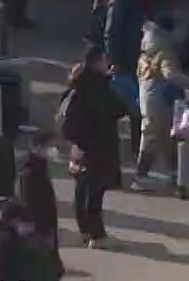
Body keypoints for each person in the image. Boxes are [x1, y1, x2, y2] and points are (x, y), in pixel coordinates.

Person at [60, 46, 127, 249]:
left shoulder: (76, 86)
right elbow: (118, 108)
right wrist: (107, 80)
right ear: (97, 62)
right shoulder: (96, 87)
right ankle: (97, 236)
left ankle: (85, 231)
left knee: (81, 191)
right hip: (97, 147)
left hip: (79, 146)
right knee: (94, 194)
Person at [133, 15, 189, 190]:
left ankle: (173, 173)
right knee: (155, 136)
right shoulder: (165, 51)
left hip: (146, 97)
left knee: (159, 135)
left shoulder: (146, 49)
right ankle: (141, 176)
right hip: (158, 101)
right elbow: (172, 75)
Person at [103, 0, 156, 156]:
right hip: (125, 63)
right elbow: (112, 34)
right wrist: (115, 62)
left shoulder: (136, 0)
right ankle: (136, 148)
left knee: (138, 108)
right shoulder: (120, 3)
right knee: (134, 108)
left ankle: (138, 147)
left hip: (137, 62)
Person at [18, 131, 63, 279]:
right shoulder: (30, 173)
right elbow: (28, 202)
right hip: (41, 226)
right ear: (38, 147)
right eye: (49, 146)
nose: (53, 150)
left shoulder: (38, 167)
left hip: (45, 224)